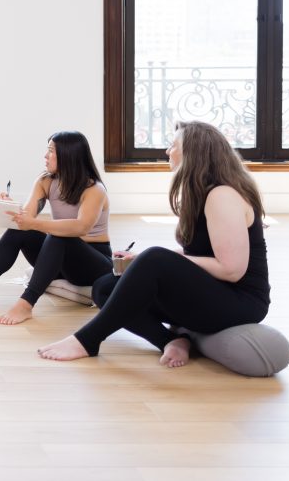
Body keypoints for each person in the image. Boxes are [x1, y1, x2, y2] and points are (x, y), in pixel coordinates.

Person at [38, 121, 270, 367]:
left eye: (173, 146)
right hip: (212, 291)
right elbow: (201, 254)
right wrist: (143, 262)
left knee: (155, 257)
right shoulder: (201, 194)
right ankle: (170, 340)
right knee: (104, 287)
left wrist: (162, 260)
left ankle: (87, 340)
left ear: (193, 153)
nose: (167, 152)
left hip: (239, 302)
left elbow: (231, 270)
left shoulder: (222, 195)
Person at [0, 131, 113, 324]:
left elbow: (81, 227)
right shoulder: (45, 181)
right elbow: (28, 218)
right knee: (20, 231)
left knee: (58, 236)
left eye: (51, 151)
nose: (45, 156)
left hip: (92, 263)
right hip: (59, 261)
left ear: (68, 155)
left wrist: (33, 223)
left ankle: (26, 304)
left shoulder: (94, 189)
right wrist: (11, 209)